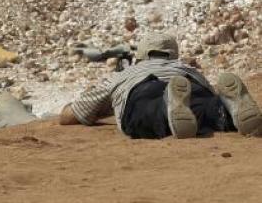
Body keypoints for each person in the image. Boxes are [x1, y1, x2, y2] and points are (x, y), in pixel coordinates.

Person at [59, 32, 262, 139]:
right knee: (205, 109)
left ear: (141, 55)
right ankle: (226, 110)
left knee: (146, 111)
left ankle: (166, 108)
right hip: (190, 84)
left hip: (142, 87)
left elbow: (73, 115)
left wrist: (106, 107)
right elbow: (208, 91)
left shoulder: (125, 74)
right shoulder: (185, 68)